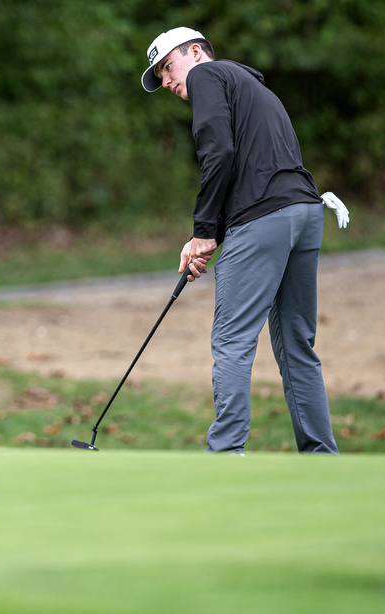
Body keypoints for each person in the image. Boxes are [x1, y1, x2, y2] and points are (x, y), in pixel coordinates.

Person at [141, 27, 348, 454]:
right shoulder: (248, 84)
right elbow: (243, 162)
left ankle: (225, 455)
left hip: (266, 217)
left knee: (232, 341)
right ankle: (322, 459)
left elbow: (218, 152)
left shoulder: (206, 76)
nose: (165, 80)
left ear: (195, 52)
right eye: (159, 74)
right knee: (296, 343)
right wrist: (206, 234)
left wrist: (202, 232)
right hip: (305, 214)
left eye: (167, 66)